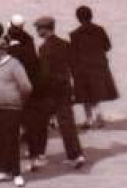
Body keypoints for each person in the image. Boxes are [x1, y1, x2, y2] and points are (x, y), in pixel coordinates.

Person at [27, 16, 87, 171]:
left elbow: (45, 75)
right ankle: (76, 155)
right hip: (65, 89)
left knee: (39, 124)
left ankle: (39, 155)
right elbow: (74, 67)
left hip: (50, 92)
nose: (37, 32)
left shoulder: (44, 49)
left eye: (38, 29)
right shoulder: (65, 44)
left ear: (44, 29)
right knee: (67, 124)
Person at [0, 37, 32, 187]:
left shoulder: (14, 65)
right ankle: (2, 169)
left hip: (10, 109)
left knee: (11, 140)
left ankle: (16, 173)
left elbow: (26, 86)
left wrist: (17, 100)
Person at [69, 5, 119, 129]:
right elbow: (107, 46)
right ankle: (99, 118)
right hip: (99, 67)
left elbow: (73, 53)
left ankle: (89, 120)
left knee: (86, 95)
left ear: (78, 18)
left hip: (83, 68)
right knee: (96, 94)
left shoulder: (75, 34)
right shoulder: (99, 30)